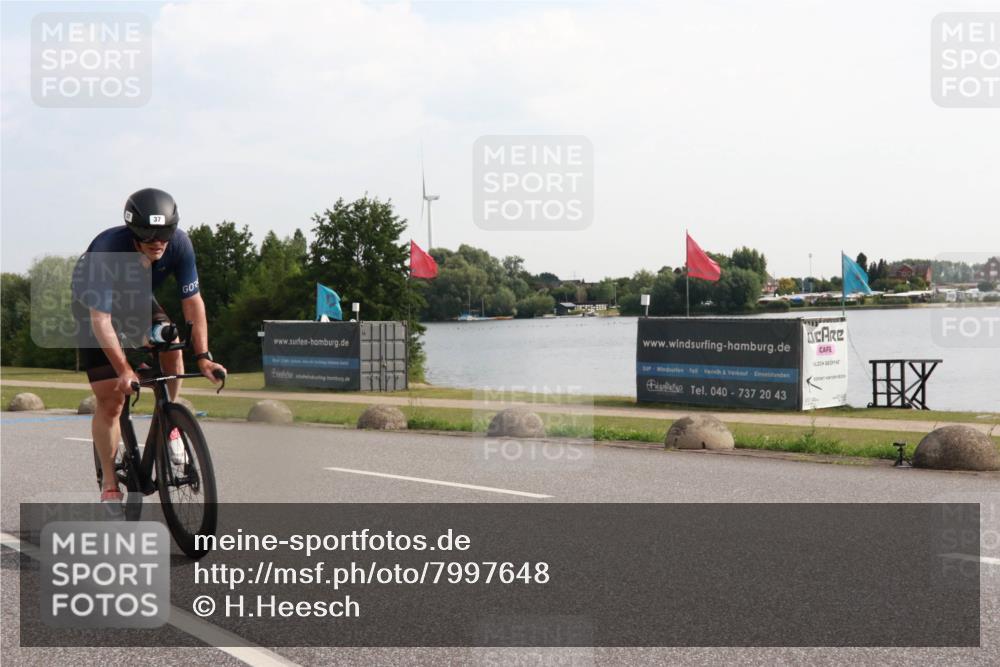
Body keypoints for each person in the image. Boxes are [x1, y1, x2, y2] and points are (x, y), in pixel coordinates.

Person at [72, 188, 226, 504]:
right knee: (112, 401)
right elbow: (101, 320)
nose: (158, 243)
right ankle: (110, 485)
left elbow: (193, 302)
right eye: (149, 236)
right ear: (133, 232)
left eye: (164, 236)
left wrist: (204, 357)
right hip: (95, 308)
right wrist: (124, 369)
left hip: (138, 299)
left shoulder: (180, 244)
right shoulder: (107, 251)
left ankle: (170, 425)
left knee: (171, 340)